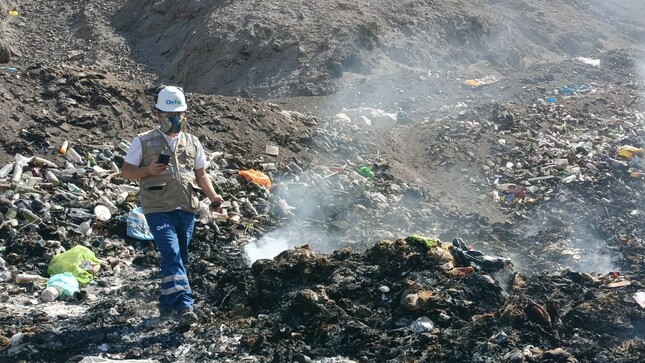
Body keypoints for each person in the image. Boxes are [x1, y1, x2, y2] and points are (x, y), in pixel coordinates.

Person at [120, 85, 223, 326]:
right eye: (169, 116)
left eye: (179, 115)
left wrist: (214, 197)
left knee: (181, 256)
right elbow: (125, 172)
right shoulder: (144, 141)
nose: (175, 120)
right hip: (157, 207)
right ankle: (184, 305)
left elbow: (201, 174)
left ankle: (166, 303)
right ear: (157, 114)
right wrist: (147, 170)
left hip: (187, 206)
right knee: (171, 251)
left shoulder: (193, 142)